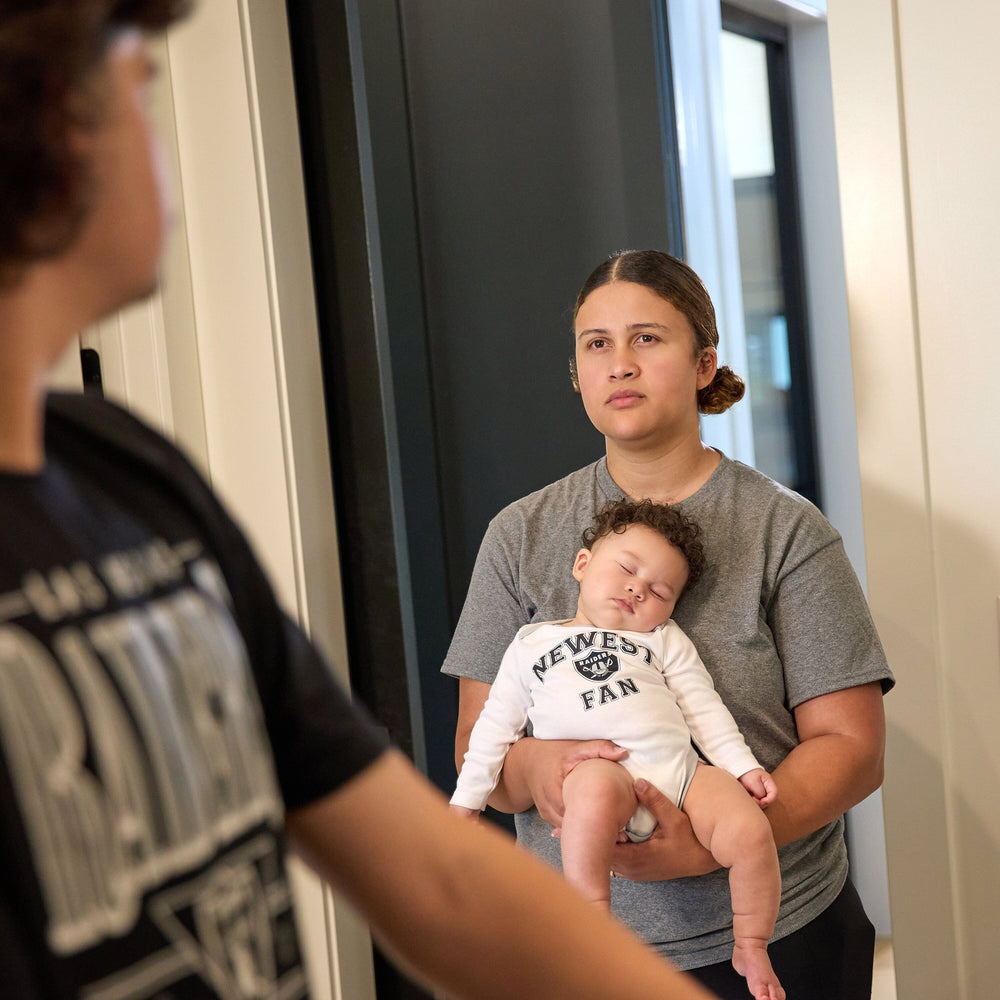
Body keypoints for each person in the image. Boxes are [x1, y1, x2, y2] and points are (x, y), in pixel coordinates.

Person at [0, 5, 726, 999]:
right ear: (46, 122)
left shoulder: (136, 480)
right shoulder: (523, 530)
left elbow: (437, 881)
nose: (156, 131)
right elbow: (484, 760)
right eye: (139, 85)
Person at [444, 249, 895, 1000]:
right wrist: (540, 772)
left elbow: (851, 750)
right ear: (578, 371)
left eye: (647, 339)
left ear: (703, 363)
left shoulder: (785, 531)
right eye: (598, 344)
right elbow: (478, 752)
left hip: (775, 946)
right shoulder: (520, 534)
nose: (620, 364)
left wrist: (713, 844)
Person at [452, 499, 785, 1000]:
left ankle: (752, 941)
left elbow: (703, 707)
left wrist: (742, 767)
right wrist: (466, 802)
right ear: (583, 565)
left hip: (683, 774)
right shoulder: (531, 646)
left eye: (659, 591)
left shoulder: (662, 639)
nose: (637, 588)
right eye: (627, 569)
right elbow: (493, 730)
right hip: (602, 768)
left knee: (749, 830)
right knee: (589, 791)